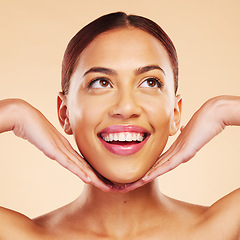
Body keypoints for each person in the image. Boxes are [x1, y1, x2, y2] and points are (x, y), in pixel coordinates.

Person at [0, 12, 239, 239]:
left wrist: (221, 110)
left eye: (150, 82)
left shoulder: (224, 229)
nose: (126, 108)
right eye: (101, 83)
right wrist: (14, 113)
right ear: (65, 113)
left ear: (175, 113)